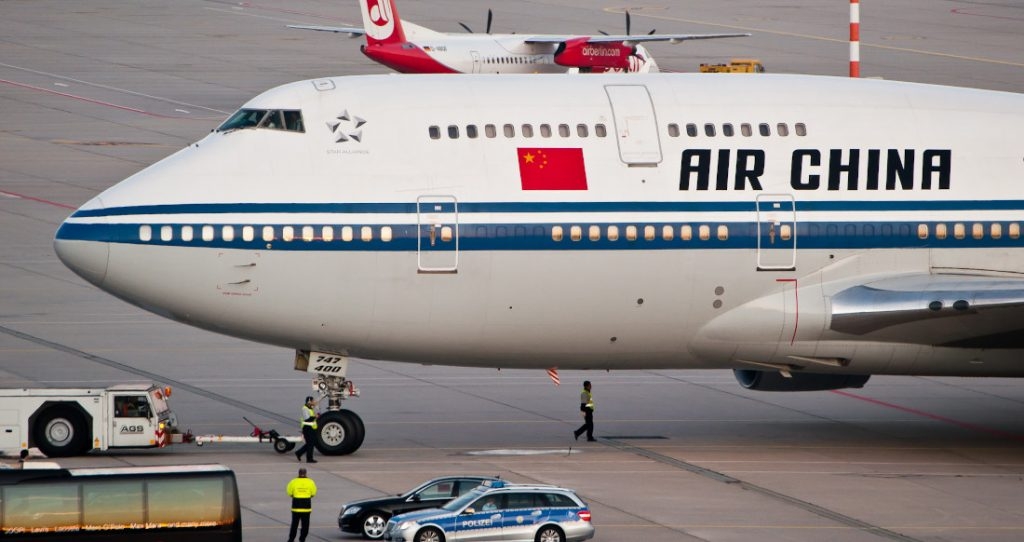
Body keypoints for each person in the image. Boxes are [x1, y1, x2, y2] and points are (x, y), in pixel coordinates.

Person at [286, 467, 317, 542]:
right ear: (306, 473)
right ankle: (302, 539)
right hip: (306, 507)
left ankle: (291, 539)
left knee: (294, 525)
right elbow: (313, 493)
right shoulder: (311, 482)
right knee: (305, 525)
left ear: (299, 473)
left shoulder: (293, 481)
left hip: (296, 506)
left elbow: (289, 492)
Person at [294, 395, 318, 463]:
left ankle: (299, 453)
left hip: (311, 428)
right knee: (310, 444)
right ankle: (309, 459)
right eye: (312, 401)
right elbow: (307, 419)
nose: (314, 402)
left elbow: (314, 407)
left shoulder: (310, 408)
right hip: (307, 428)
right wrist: (315, 417)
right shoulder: (305, 408)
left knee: (311, 443)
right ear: (309, 401)